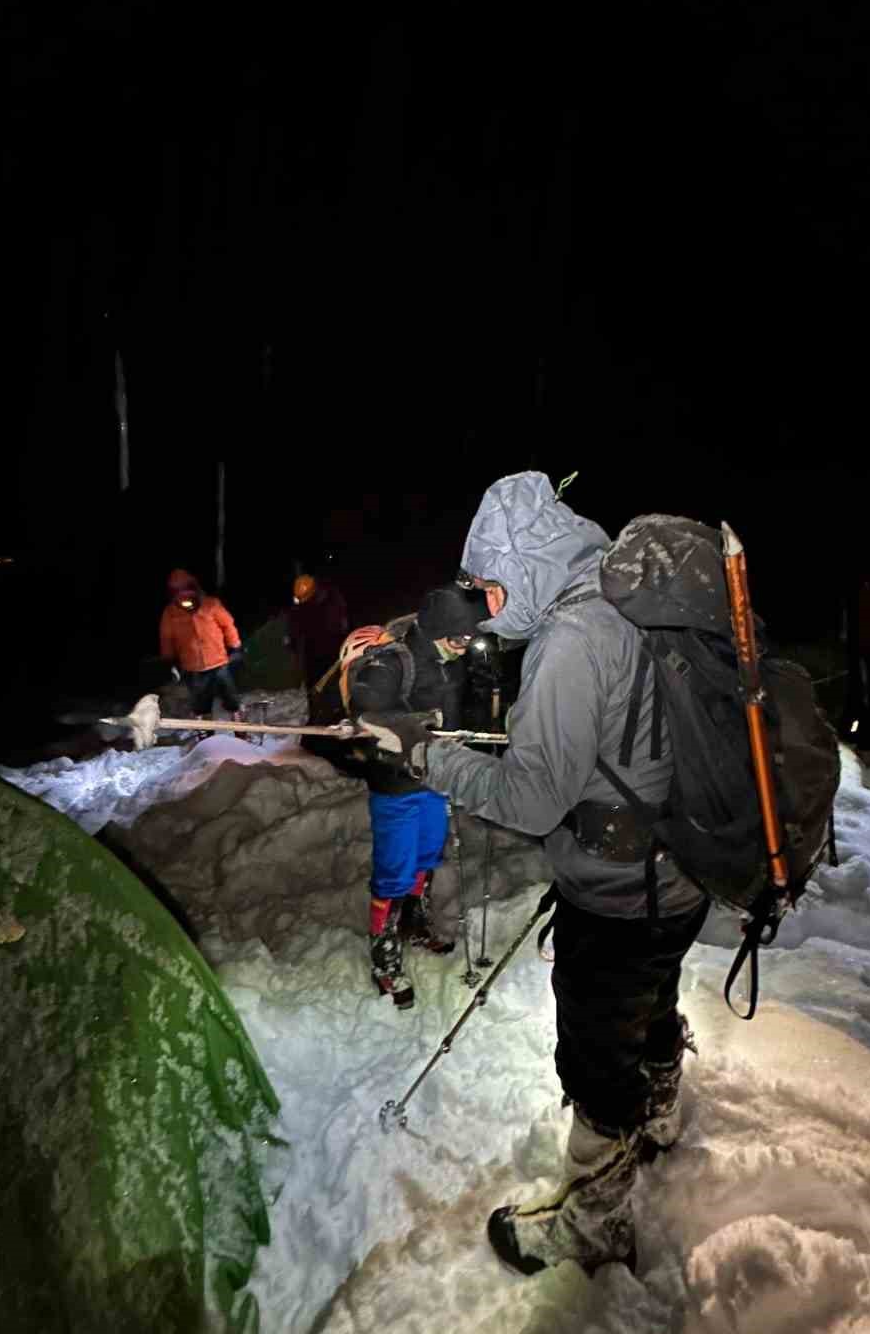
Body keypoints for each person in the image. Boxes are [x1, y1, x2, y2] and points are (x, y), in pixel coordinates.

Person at [356, 473, 708, 1276]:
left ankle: (597, 1219)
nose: (482, 602)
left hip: (620, 890)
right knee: (649, 997)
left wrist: (422, 754)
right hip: (681, 868)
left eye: (486, 583)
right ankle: (660, 1112)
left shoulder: (573, 639)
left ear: (522, 558)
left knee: (594, 1054)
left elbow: (529, 798)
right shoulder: (624, 594)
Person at [347, 584, 483, 1008]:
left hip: (434, 780)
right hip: (397, 786)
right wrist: (411, 727)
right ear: (440, 631)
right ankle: (384, 955)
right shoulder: (393, 661)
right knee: (395, 870)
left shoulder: (451, 662)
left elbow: (459, 708)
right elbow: (364, 710)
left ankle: (415, 919)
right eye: (459, 638)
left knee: (426, 856)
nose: (464, 647)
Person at [158, 569, 243, 718]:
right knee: (201, 704)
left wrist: (235, 645)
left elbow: (228, 625)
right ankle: (206, 735)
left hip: (218, 662)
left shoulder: (211, 605)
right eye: (178, 592)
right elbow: (166, 638)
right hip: (193, 667)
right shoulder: (170, 613)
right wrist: (168, 659)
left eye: (186, 590)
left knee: (231, 698)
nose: (184, 597)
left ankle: (240, 729)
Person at [286, 572, 350, 699]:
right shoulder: (300, 606)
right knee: (314, 685)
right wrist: (292, 643)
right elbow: (295, 627)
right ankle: (316, 711)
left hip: (333, 647)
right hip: (312, 652)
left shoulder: (331, 599)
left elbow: (342, 623)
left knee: (335, 682)